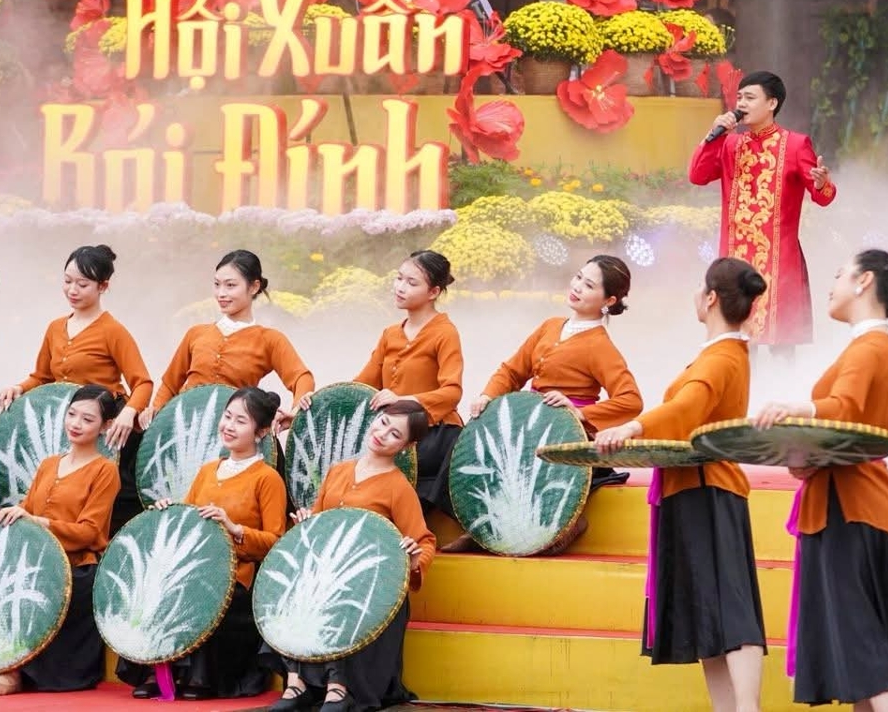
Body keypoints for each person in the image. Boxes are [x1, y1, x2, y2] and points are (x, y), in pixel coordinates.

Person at [594, 258, 767, 712]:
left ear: (710, 298)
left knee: (732, 609)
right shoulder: (721, 353)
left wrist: (632, 427)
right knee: (709, 613)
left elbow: (686, 408)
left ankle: (747, 708)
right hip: (694, 488)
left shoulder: (722, 356)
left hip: (708, 489)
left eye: (699, 287)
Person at [754, 250, 888, 712]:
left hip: (852, 507)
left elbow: (844, 409)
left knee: (867, 652)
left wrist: (797, 409)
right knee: (864, 654)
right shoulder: (872, 344)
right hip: (857, 504)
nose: (831, 285)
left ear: (864, 282)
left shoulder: (870, 345)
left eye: (839, 274)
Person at [453, 254, 643, 552]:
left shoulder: (600, 346)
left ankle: (564, 527)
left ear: (609, 300)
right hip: (531, 425)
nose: (577, 286)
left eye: (589, 285)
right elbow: (512, 371)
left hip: (566, 434)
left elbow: (631, 400)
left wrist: (578, 412)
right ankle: (484, 529)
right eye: (578, 277)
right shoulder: (550, 326)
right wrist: (488, 395)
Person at [266, 399, 437, 712]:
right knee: (291, 587)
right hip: (327, 570)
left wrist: (415, 561)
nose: (382, 434)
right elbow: (320, 524)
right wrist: (306, 523)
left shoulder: (399, 488)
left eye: (395, 434)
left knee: (342, 592)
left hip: (369, 583)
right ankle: (296, 681)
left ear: (406, 446)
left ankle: (340, 688)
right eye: (383, 422)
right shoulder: (338, 471)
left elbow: (425, 541)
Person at [0, 384, 122, 696]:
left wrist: (40, 522)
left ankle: (11, 671)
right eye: (72, 414)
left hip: (76, 565)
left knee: (30, 583)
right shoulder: (49, 464)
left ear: (106, 426)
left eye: (87, 419)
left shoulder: (105, 470)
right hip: (36, 557)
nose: (76, 424)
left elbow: (90, 532)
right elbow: (26, 509)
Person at [139, 386, 289, 701]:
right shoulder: (208, 470)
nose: (229, 426)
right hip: (197, 566)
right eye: (227, 417)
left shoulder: (267, 478)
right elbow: (188, 522)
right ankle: (161, 669)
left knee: (205, 593)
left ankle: (199, 675)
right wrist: (169, 511)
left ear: (261, 432)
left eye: (240, 421)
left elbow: (275, 542)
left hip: (236, 574)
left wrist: (234, 528)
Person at [0, 245, 151, 532]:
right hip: (69, 422)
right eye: (67, 281)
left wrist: (129, 413)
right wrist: (19, 387)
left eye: (82, 284)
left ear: (103, 286)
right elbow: (42, 376)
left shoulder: (112, 330)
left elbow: (142, 382)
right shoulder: (55, 327)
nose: (72, 290)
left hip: (106, 426)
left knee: (111, 497)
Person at [688, 70, 837, 351]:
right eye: (739, 98)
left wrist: (822, 183)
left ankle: (784, 379)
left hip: (779, 261)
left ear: (772, 103)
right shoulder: (730, 143)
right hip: (735, 257)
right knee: (739, 339)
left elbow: (823, 197)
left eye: (750, 97)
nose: (741, 103)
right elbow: (697, 175)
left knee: (782, 343)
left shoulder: (795, 144)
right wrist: (713, 136)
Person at [141, 251, 315, 432]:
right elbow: (170, 385)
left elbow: (302, 377)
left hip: (232, 434)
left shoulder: (269, 339)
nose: (221, 293)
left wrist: (295, 412)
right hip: (184, 429)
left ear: (254, 287)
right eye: (217, 285)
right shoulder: (196, 333)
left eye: (230, 285)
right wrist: (155, 410)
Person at [354, 251, 463, 514]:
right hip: (393, 431)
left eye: (411, 283)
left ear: (434, 292)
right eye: (399, 278)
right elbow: (360, 386)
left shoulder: (445, 333)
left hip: (433, 433)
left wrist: (404, 400)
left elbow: (452, 392)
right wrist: (306, 412)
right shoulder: (390, 334)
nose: (400, 287)